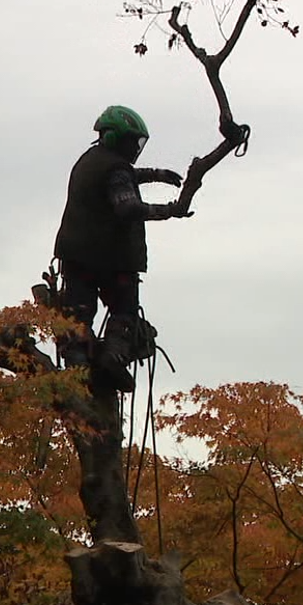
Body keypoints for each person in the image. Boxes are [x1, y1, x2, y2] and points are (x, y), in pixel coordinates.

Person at [53, 105, 192, 391]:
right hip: (112, 260)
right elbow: (127, 206)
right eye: (133, 142)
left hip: (76, 258)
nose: (135, 148)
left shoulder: (89, 160)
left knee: (78, 318)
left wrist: (155, 174)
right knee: (124, 314)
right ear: (117, 138)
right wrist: (170, 210)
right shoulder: (114, 167)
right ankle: (111, 360)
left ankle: (78, 368)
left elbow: (120, 176)